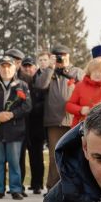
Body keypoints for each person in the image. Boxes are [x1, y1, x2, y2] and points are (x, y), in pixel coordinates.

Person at [0, 55, 32, 200]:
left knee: (14, 161)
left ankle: (16, 189)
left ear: (14, 68)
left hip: (15, 130)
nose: (6, 69)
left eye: (9, 66)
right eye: (3, 66)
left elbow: (27, 106)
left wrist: (12, 114)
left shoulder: (22, 85)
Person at [34, 45, 83, 189]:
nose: (61, 58)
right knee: (54, 155)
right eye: (58, 56)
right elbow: (41, 85)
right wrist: (50, 67)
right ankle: (53, 187)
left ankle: (73, 186)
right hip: (53, 121)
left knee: (73, 154)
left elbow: (85, 87)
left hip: (73, 120)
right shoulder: (49, 72)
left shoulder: (77, 72)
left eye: (63, 55)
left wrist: (66, 69)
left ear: (69, 56)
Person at [19, 56, 47, 194]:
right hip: (22, 123)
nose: (28, 69)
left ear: (35, 68)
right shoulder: (19, 81)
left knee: (37, 156)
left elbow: (44, 101)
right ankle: (20, 184)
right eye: (25, 66)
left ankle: (37, 183)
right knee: (21, 156)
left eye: (30, 66)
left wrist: (32, 107)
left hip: (37, 124)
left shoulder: (40, 80)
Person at [65, 57, 101, 124]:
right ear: (90, 72)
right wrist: (80, 110)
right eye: (94, 71)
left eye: (100, 71)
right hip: (82, 126)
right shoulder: (80, 86)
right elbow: (69, 106)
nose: (97, 74)